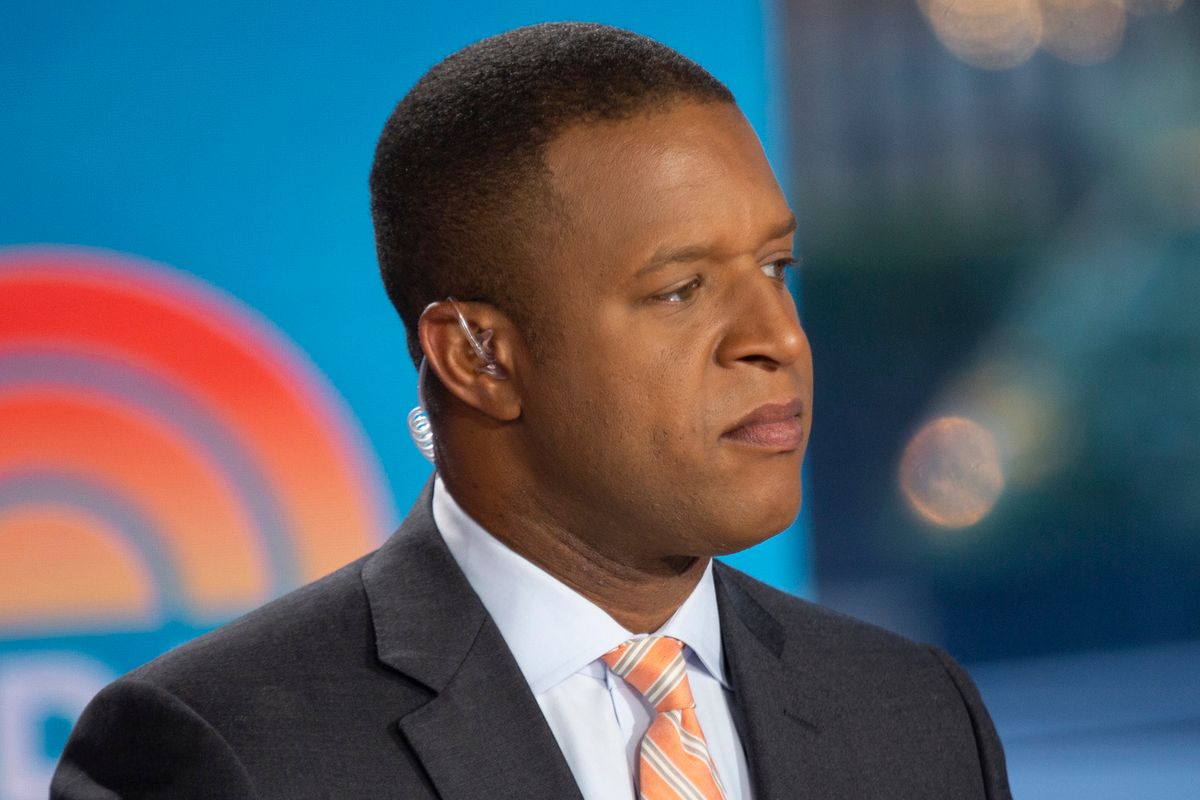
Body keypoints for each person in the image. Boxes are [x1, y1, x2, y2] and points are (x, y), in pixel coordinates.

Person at [51, 22, 1011, 799]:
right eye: (681, 289)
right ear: (477, 357)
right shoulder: (221, 753)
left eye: (775, 267)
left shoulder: (916, 715)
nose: (778, 338)